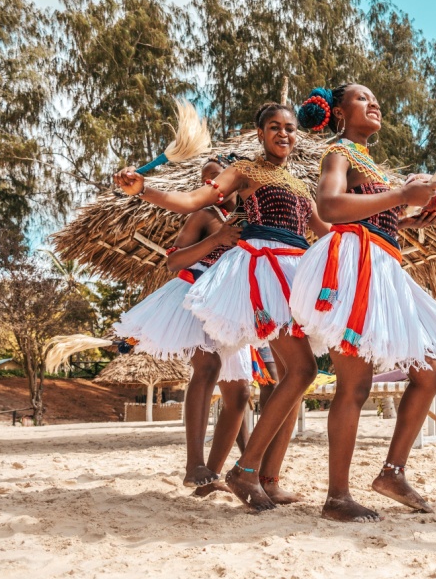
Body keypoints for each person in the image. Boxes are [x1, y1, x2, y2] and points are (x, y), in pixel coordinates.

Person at [114, 103, 327, 509]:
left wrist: (396, 221)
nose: (283, 134)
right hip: (264, 270)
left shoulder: (302, 186)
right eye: (274, 127)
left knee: (292, 377)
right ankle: (244, 471)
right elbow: (191, 200)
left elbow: (330, 233)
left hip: (296, 273)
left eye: (290, 128)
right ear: (260, 132)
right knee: (301, 370)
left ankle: (268, 477)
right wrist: (143, 189)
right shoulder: (245, 170)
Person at [291, 84, 436, 522]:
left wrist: (412, 215)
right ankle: (337, 497)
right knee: (355, 385)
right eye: (361, 98)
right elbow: (331, 206)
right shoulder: (339, 153)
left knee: (429, 374)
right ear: (337, 112)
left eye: (377, 98)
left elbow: (375, 216)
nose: (375, 103)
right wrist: (398, 197)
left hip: (383, 268)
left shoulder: (370, 163)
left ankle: (392, 472)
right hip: (355, 268)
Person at [112, 158, 257, 492]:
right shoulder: (203, 216)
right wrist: (216, 239)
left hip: (229, 305)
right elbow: (174, 260)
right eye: (204, 181)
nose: (210, 186)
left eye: (215, 178)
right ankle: (194, 464)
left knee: (239, 395)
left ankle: (212, 476)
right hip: (194, 293)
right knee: (206, 367)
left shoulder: (248, 215)